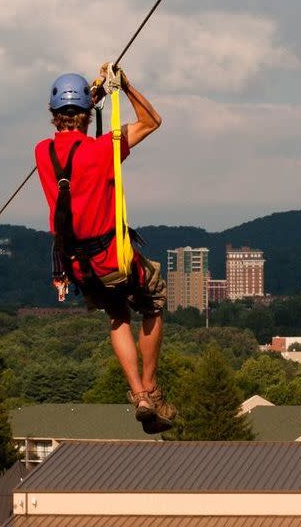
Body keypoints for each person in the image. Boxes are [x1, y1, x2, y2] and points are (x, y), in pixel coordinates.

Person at [34, 65, 176, 434]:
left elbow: (69, 138)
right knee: (153, 300)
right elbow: (151, 121)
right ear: (85, 115)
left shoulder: (41, 153)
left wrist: (89, 102)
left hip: (78, 266)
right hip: (113, 259)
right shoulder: (104, 149)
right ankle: (151, 389)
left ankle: (137, 396)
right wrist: (124, 86)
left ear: (53, 116)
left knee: (116, 316)